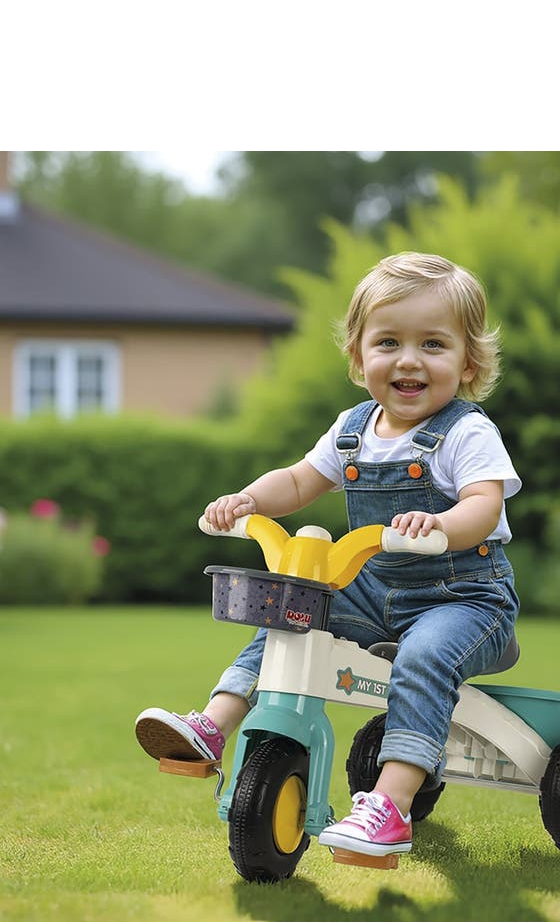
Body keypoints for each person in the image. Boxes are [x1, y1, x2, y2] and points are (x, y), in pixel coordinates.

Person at [135, 251, 521, 858]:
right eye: (388, 341)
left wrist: (440, 523)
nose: (409, 360)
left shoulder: (466, 432)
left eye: (434, 344)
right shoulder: (352, 429)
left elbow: (482, 505)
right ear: (359, 355)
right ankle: (214, 722)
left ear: (468, 360)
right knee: (290, 607)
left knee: (423, 656)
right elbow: (296, 481)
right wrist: (247, 500)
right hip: (372, 591)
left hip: (464, 599)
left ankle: (389, 809)